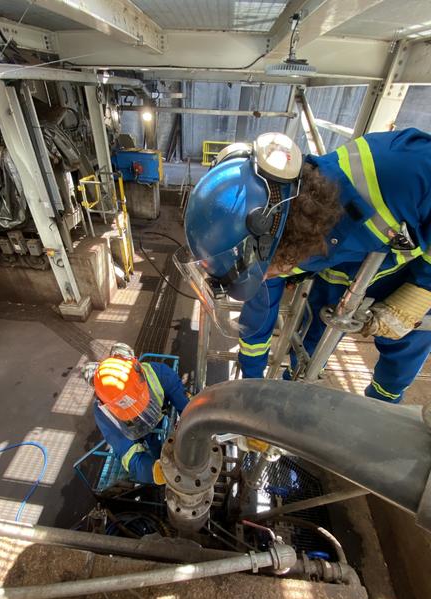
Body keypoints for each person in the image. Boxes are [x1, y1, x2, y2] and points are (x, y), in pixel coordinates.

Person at [175, 130, 431, 403]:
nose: (265, 280)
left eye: (264, 272)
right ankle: (293, 392)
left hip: (410, 277)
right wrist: (252, 389)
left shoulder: (404, 168)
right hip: (343, 276)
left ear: (270, 239)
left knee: (399, 360)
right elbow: (257, 318)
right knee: (309, 347)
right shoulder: (282, 234)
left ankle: (383, 407)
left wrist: (422, 288)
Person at [82, 345, 189, 484]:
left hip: (157, 418)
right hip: (132, 432)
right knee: (152, 457)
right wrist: (155, 472)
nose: (136, 412)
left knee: (158, 444)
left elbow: (185, 406)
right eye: (129, 410)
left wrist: (197, 425)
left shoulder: (159, 374)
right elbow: (128, 454)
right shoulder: (104, 414)